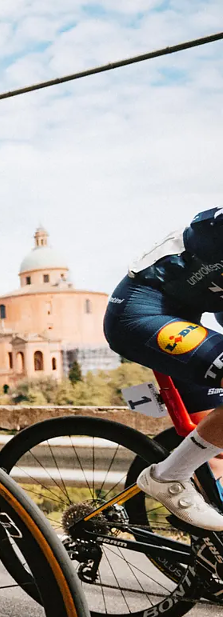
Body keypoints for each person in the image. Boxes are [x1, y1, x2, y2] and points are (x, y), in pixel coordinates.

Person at [104, 208, 223, 561]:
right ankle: (169, 476)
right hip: (139, 314)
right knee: (214, 459)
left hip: (188, 320)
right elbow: (205, 225)